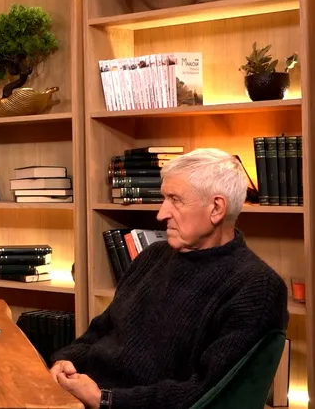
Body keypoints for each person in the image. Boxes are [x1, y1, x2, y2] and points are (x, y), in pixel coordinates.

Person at [51, 148, 288, 409]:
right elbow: (101, 330)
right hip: (77, 395)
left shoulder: (256, 287)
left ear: (216, 208)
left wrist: (105, 400)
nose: (161, 214)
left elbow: (205, 392)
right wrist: (66, 360)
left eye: (175, 200)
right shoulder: (152, 256)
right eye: (164, 198)